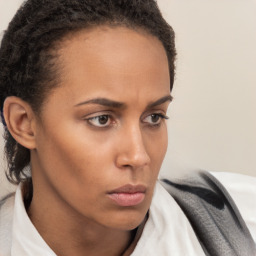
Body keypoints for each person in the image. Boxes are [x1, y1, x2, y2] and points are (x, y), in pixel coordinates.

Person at [0, 0, 255, 255]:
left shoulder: (241, 220)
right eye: (101, 119)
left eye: (154, 117)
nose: (138, 156)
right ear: (24, 123)